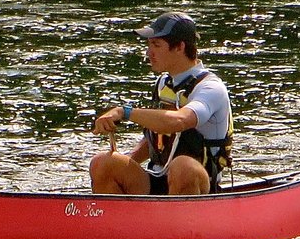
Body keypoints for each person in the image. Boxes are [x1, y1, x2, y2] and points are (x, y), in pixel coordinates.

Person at [90, 12, 232, 195]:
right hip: (158, 178)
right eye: (149, 45)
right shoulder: (163, 83)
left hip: (198, 184)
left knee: (183, 166)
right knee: (104, 163)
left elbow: (179, 121)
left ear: (180, 47)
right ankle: (109, 221)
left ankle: (182, 221)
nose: (149, 53)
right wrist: (128, 162)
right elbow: (158, 138)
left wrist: (125, 112)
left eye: (156, 45)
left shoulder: (211, 88)